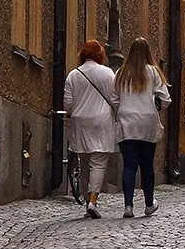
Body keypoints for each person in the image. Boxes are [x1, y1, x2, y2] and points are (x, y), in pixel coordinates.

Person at [112, 37, 171, 218]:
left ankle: (128, 206)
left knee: (129, 166)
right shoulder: (153, 73)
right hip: (147, 124)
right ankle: (148, 204)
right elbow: (166, 99)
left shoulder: (121, 73)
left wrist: (124, 108)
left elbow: (114, 99)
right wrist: (155, 105)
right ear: (148, 53)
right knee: (147, 165)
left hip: (127, 123)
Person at [63, 40, 116, 218]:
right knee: (98, 162)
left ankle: (88, 204)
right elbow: (115, 99)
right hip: (101, 121)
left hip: (80, 122)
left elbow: (68, 104)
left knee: (84, 163)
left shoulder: (73, 75)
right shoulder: (108, 74)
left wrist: (70, 114)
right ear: (100, 54)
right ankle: (93, 200)